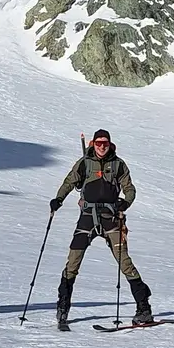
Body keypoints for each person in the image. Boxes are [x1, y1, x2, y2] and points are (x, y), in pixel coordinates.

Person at [50, 129, 154, 329]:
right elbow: (69, 182)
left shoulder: (118, 164)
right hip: (87, 218)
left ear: (110, 144)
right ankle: (63, 306)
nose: (102, 146)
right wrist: (58, 199)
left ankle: (144, 308)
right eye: (98, 143)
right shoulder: (84, 163)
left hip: (111, 218)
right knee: (73, 262)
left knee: (125, 263)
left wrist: (126, 202)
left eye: (105, 143)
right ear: (92, 143)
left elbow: (129, 188)